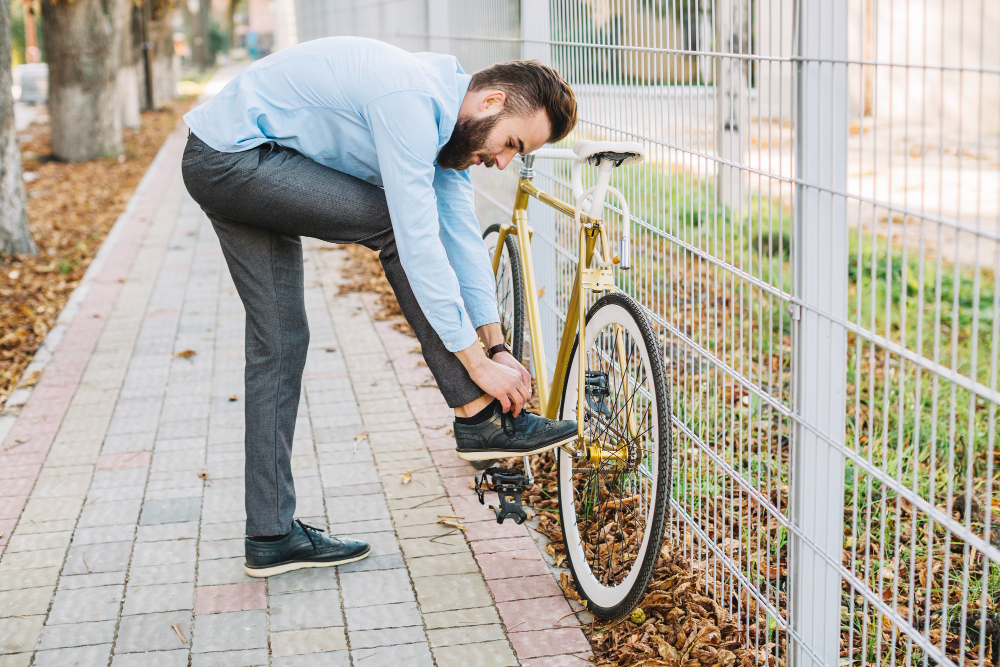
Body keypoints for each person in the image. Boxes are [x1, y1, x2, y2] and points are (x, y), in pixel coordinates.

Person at [181, 36, 580, 577]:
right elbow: (416, 241)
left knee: (281, 341)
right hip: (233, 159)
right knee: (393, 223)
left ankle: (271, 535)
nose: (504, 162)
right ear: (490, 103)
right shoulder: (410, 100)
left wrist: (496, 344)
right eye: (512, 143)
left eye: (517, 156)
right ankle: (474, 414)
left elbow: (459, 237)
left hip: (233, 157)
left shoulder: (448, 126)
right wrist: (476, 369)